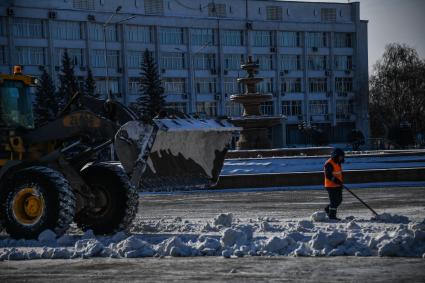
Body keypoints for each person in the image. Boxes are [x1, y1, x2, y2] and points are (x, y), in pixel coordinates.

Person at [323, 148, 345, 220]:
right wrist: (337, 181)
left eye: (342, 156)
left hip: (338, 185)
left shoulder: (338, 163)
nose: (342, 158)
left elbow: (338, 173)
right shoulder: (329, 163)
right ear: (336, 156)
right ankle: (332, 216)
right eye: (340, 156)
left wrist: (340, 182)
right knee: (334, 201)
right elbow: (328, 175)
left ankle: (327, 208)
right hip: (330, 185)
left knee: (339, 200)